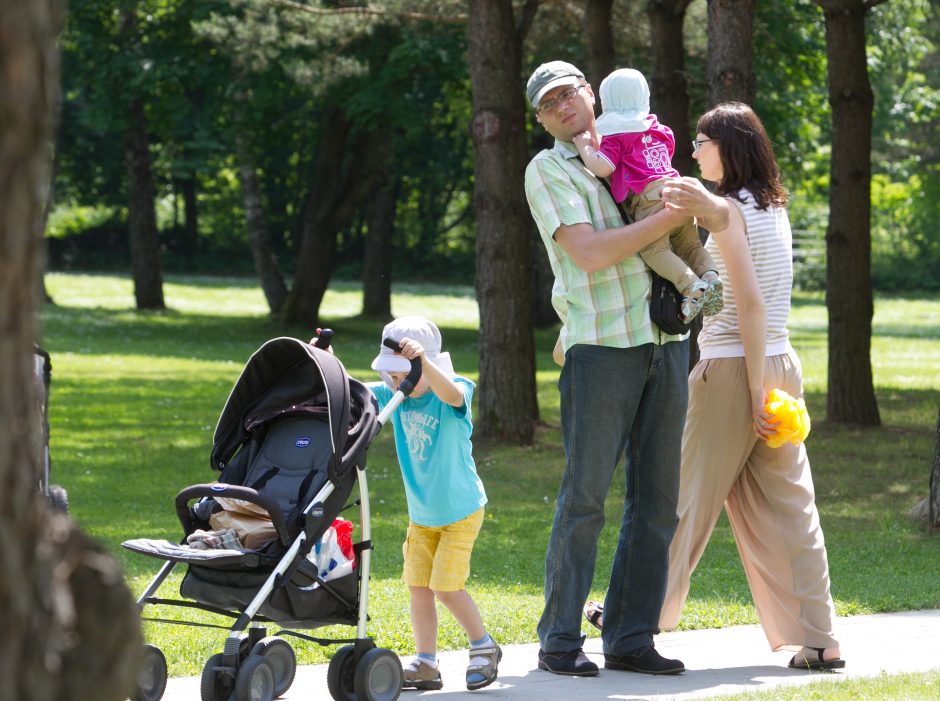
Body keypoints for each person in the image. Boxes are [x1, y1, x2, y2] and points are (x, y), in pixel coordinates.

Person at [583, 102, 845, 672]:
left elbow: (747, 304)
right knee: (793, 507)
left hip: (735, 369)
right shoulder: (770, 205)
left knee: (678, 498)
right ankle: (821, 639)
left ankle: (636, 616)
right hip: (780, 362)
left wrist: (752, 392)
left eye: (703, 141)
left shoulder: (728, 211)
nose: (694, 149)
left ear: (731, 146)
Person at [524, 60, 695, 677]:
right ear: (542, 119)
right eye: (549, 104)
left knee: (658, 503)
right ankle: (560, 640)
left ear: (590, 93)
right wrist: (667, 219)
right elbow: (590, 253)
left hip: (664, 342)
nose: (563, 106)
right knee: (586, 499)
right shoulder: (548, 170)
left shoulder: (637, 144)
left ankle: (629, 635)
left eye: (569, 92)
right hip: (600, 349)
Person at [366, 316, 501, 691]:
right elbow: (351, 393)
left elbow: (453, 395)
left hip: (460, 512)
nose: (396, 383)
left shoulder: (454, 392)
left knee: (446, 587)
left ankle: (484, 647)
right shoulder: (394, 396)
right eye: (391, 376)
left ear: (430, 366)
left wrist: (423, 364)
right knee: (419, 589)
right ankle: (426, 664)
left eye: (402, 375)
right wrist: (323, 362)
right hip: (422, 516)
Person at [573, 67, 723, 323]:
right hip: (677, 189)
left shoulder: (617, 135)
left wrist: (585, 148)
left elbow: (602, 167)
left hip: (650, 198)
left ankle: (691, 286)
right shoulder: (659, 130)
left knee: (654, 250)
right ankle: (710, 276)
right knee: (690, 244)